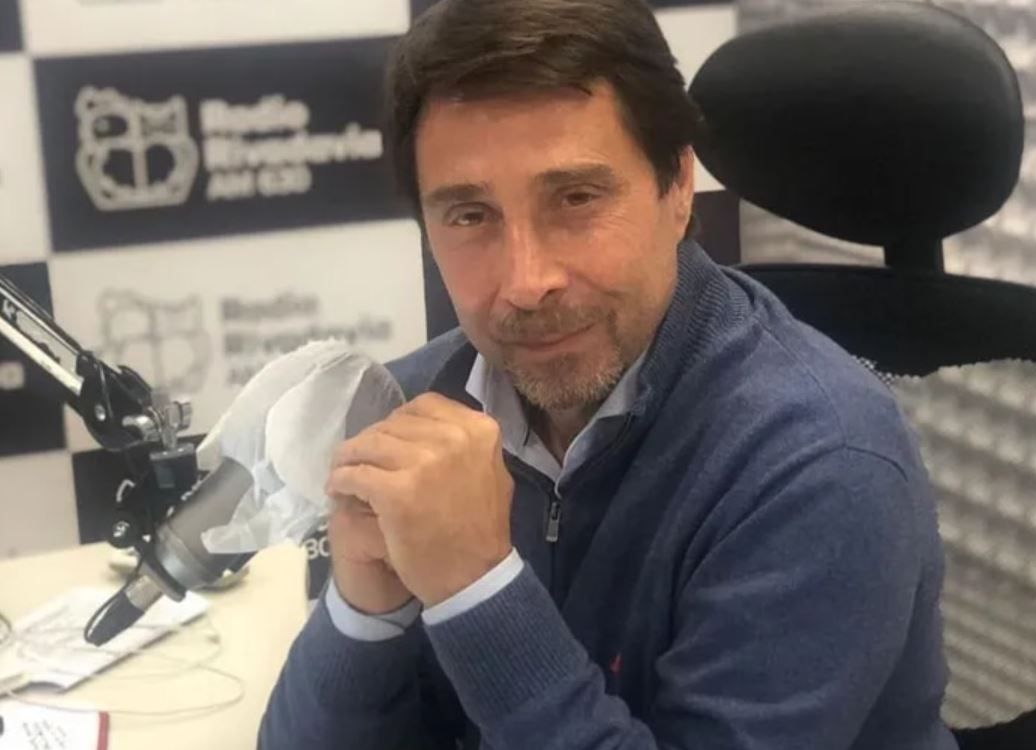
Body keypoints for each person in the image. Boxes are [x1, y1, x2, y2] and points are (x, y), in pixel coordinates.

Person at [259, 0, 959, 747]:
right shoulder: (417, 407)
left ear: (678, 186)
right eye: (469, 215)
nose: (527, 282)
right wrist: (366, 609)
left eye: (577, 198)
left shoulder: (824, 465)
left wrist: (478, 589)